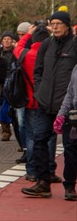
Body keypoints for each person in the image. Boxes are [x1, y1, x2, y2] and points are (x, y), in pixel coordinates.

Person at [22, 11, 77, 198]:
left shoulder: (75, 45)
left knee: (70, 147)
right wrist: (39, 92)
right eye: (52, 23)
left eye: (59, 23)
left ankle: (70, 186)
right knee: (39, 140)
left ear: (67, 26)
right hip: (45, 103)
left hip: (69, 106)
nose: (54, 27)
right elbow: (38, 71)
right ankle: (43, 182)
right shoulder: (47, 45)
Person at [15, 24, 55, 182]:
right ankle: (49, 170)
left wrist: (27, 34)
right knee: (50, 138)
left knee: (32, 137)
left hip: (31, 102)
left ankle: (31, 171)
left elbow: (17, 47)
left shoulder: (26, 54)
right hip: (49, 103)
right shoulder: (52, 56)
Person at [54, 64, 77, 201]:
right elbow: (70, 93)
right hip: (73, 117)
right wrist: (61, 114)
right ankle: (69, 186)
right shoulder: (75, 67)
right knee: (70, 152)